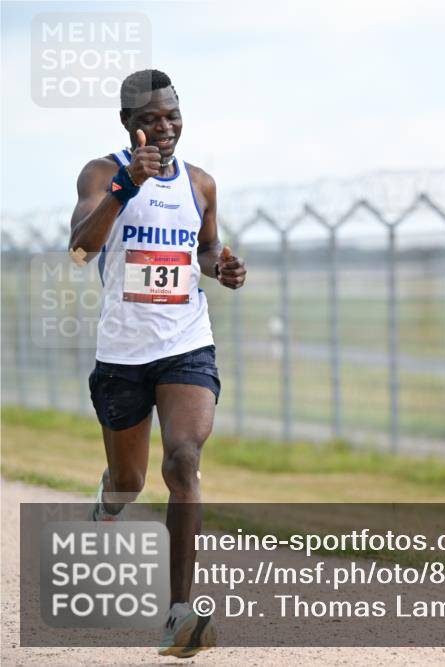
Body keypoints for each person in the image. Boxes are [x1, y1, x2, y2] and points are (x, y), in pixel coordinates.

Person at [67, 69, 246, 659]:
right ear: (128, 124)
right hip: (122, 354)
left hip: (186, 343)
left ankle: (179, 614)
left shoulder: (200, 184)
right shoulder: (102, 173)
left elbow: (205, 247)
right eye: (150, 119)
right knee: (129, 480)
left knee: (183, 460)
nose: (164, 128)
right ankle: (108, 503)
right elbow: (81, 250)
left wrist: (221, 267)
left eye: (171, 115)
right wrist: (125, 186)